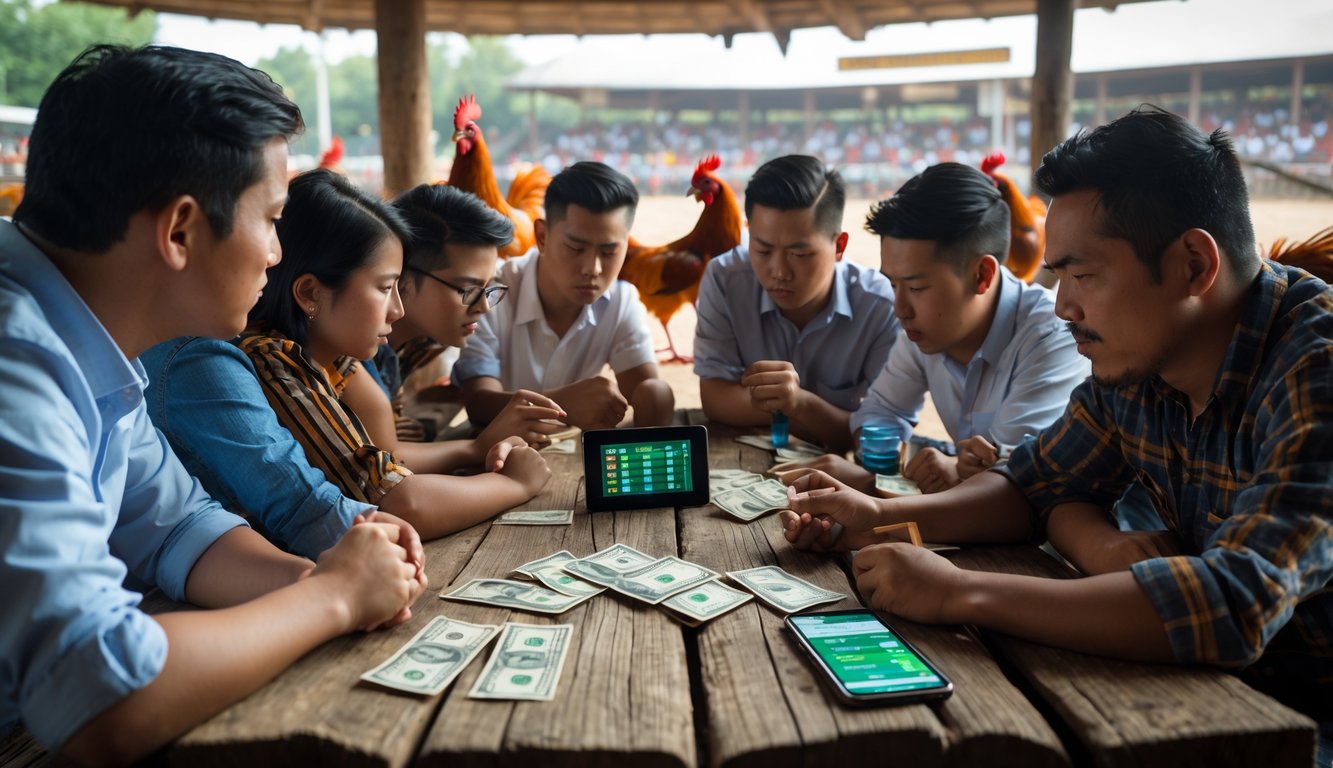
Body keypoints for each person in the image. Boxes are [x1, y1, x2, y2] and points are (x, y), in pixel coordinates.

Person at [781, 107, 1332, 762]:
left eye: (1083, 275)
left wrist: (963, 591)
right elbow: (1030, 485)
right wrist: (880, 518)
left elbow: (1234, 603)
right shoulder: (1139, 361)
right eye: (1057, 277)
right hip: (1191, 693)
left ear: (1191, 265)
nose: (1062, 303)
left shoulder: (1313, 367)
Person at [0, 45, 425, 764]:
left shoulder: (95, 341)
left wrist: (327, 576)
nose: (275, 252)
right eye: (273, 218)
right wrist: (333, 601)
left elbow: (176, 527)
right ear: (179, 232)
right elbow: (98, 694)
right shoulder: (16, 364)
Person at [234, 169, 550, 540]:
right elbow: (399, 502)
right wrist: (516, 485)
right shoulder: (275, 360)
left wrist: (478, 450)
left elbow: (385, 455)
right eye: (386, 287)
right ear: (310, 293)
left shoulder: (332, 354)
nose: (396, 310)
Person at [774, 163, 1088, 494]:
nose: (900, 308)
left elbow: (1010, 483)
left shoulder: (1052, 338)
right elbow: (880, 412)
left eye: (916, 287)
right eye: (893, 285)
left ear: (981, 275)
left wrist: (874, 484)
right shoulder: (926, 328)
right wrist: (888, 467)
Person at [693, 154, 898, 453]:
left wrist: (799, 403)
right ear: (749, 233)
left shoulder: (879, 306)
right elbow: (715, 398)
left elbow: (880, 435)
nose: (779, 271)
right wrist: (813, 416)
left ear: (839, 246)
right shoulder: (726, 280)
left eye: (799, 254)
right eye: (762, 250)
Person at [345, 183, 569, 451]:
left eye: (489, 288)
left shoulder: (420, 342)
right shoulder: (349, 351)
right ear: (401, 275)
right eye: (469, 290)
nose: (484, 307)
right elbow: (385, 466)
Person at [454, 161, 674, 430]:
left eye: (609, 253)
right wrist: (563, 404)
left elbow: (646, 392)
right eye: (575, 247)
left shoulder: (621, 301)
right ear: (542, 236)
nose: (592, 269)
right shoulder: (493, 293)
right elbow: (479, 403)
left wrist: (656, 397)